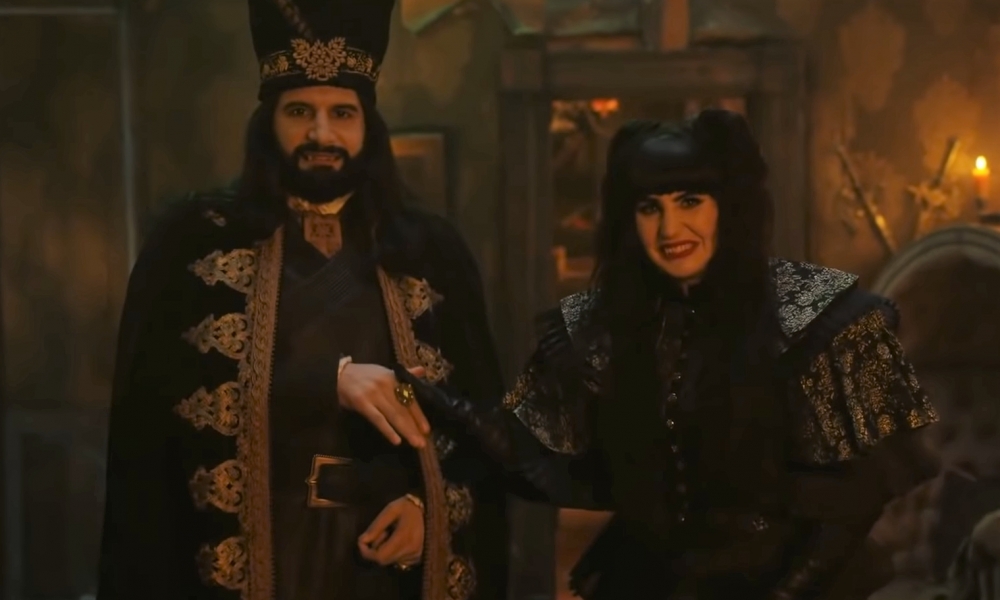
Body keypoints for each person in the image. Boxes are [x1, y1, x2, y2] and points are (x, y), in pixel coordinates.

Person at [398, 109, 941, 600]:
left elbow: (857, 497)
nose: (669, 229)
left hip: (794, 581)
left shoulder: (816, 317)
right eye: (649, 208)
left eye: (689, 202)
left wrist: (787, 594)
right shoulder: (608, 326)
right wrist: (439, 404)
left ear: (727, 207)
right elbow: (530, 450)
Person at [95, 1, 507, 599]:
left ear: (369, 126)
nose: (321, 134)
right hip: (262, 553)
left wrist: (428, 509)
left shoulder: (431, 251)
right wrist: (326, 381)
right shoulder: (192, 242)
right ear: (268, 122)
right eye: (299, 112)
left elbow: (479, 422)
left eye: (342, 112)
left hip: (382, 568)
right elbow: (152, 421)